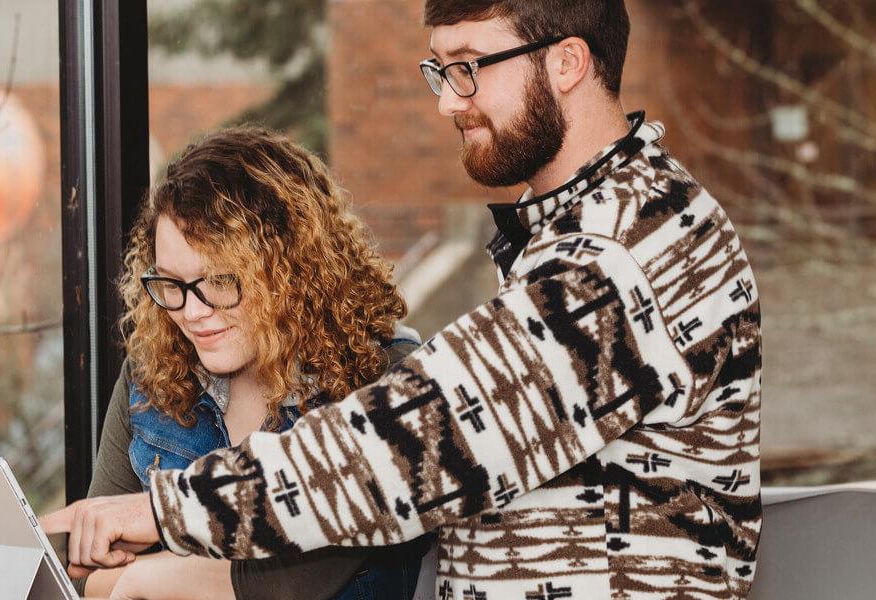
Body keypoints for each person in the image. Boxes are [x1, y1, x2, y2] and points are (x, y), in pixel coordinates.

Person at [42, 2, 763, 599]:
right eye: (439, 71)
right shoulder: (577, 236)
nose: (448, 99)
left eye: (468, 68)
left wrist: (161, 510)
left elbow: (402, 447)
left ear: (567, 62)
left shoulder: (619, 256)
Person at [82, 126, 431, 600]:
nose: (191, 311)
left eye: (220, 281)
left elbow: (296, 580)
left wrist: (148, 574)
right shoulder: (152, 377)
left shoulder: (386, 380)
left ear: (293, 270)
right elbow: (85, 575)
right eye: (171, 283)